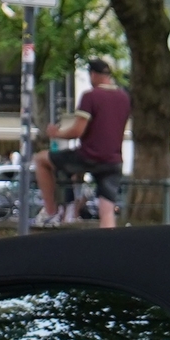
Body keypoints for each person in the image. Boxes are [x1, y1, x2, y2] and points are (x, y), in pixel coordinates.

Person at [35, 58, 129, 227]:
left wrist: (57, 133)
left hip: (88, 156)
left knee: (41, 159)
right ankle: (109, 247)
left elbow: (78, 130)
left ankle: (50, 212)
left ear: (93, 75)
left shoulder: (90, 96)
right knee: (107, 212)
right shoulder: (124, 98)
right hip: (113, 160)